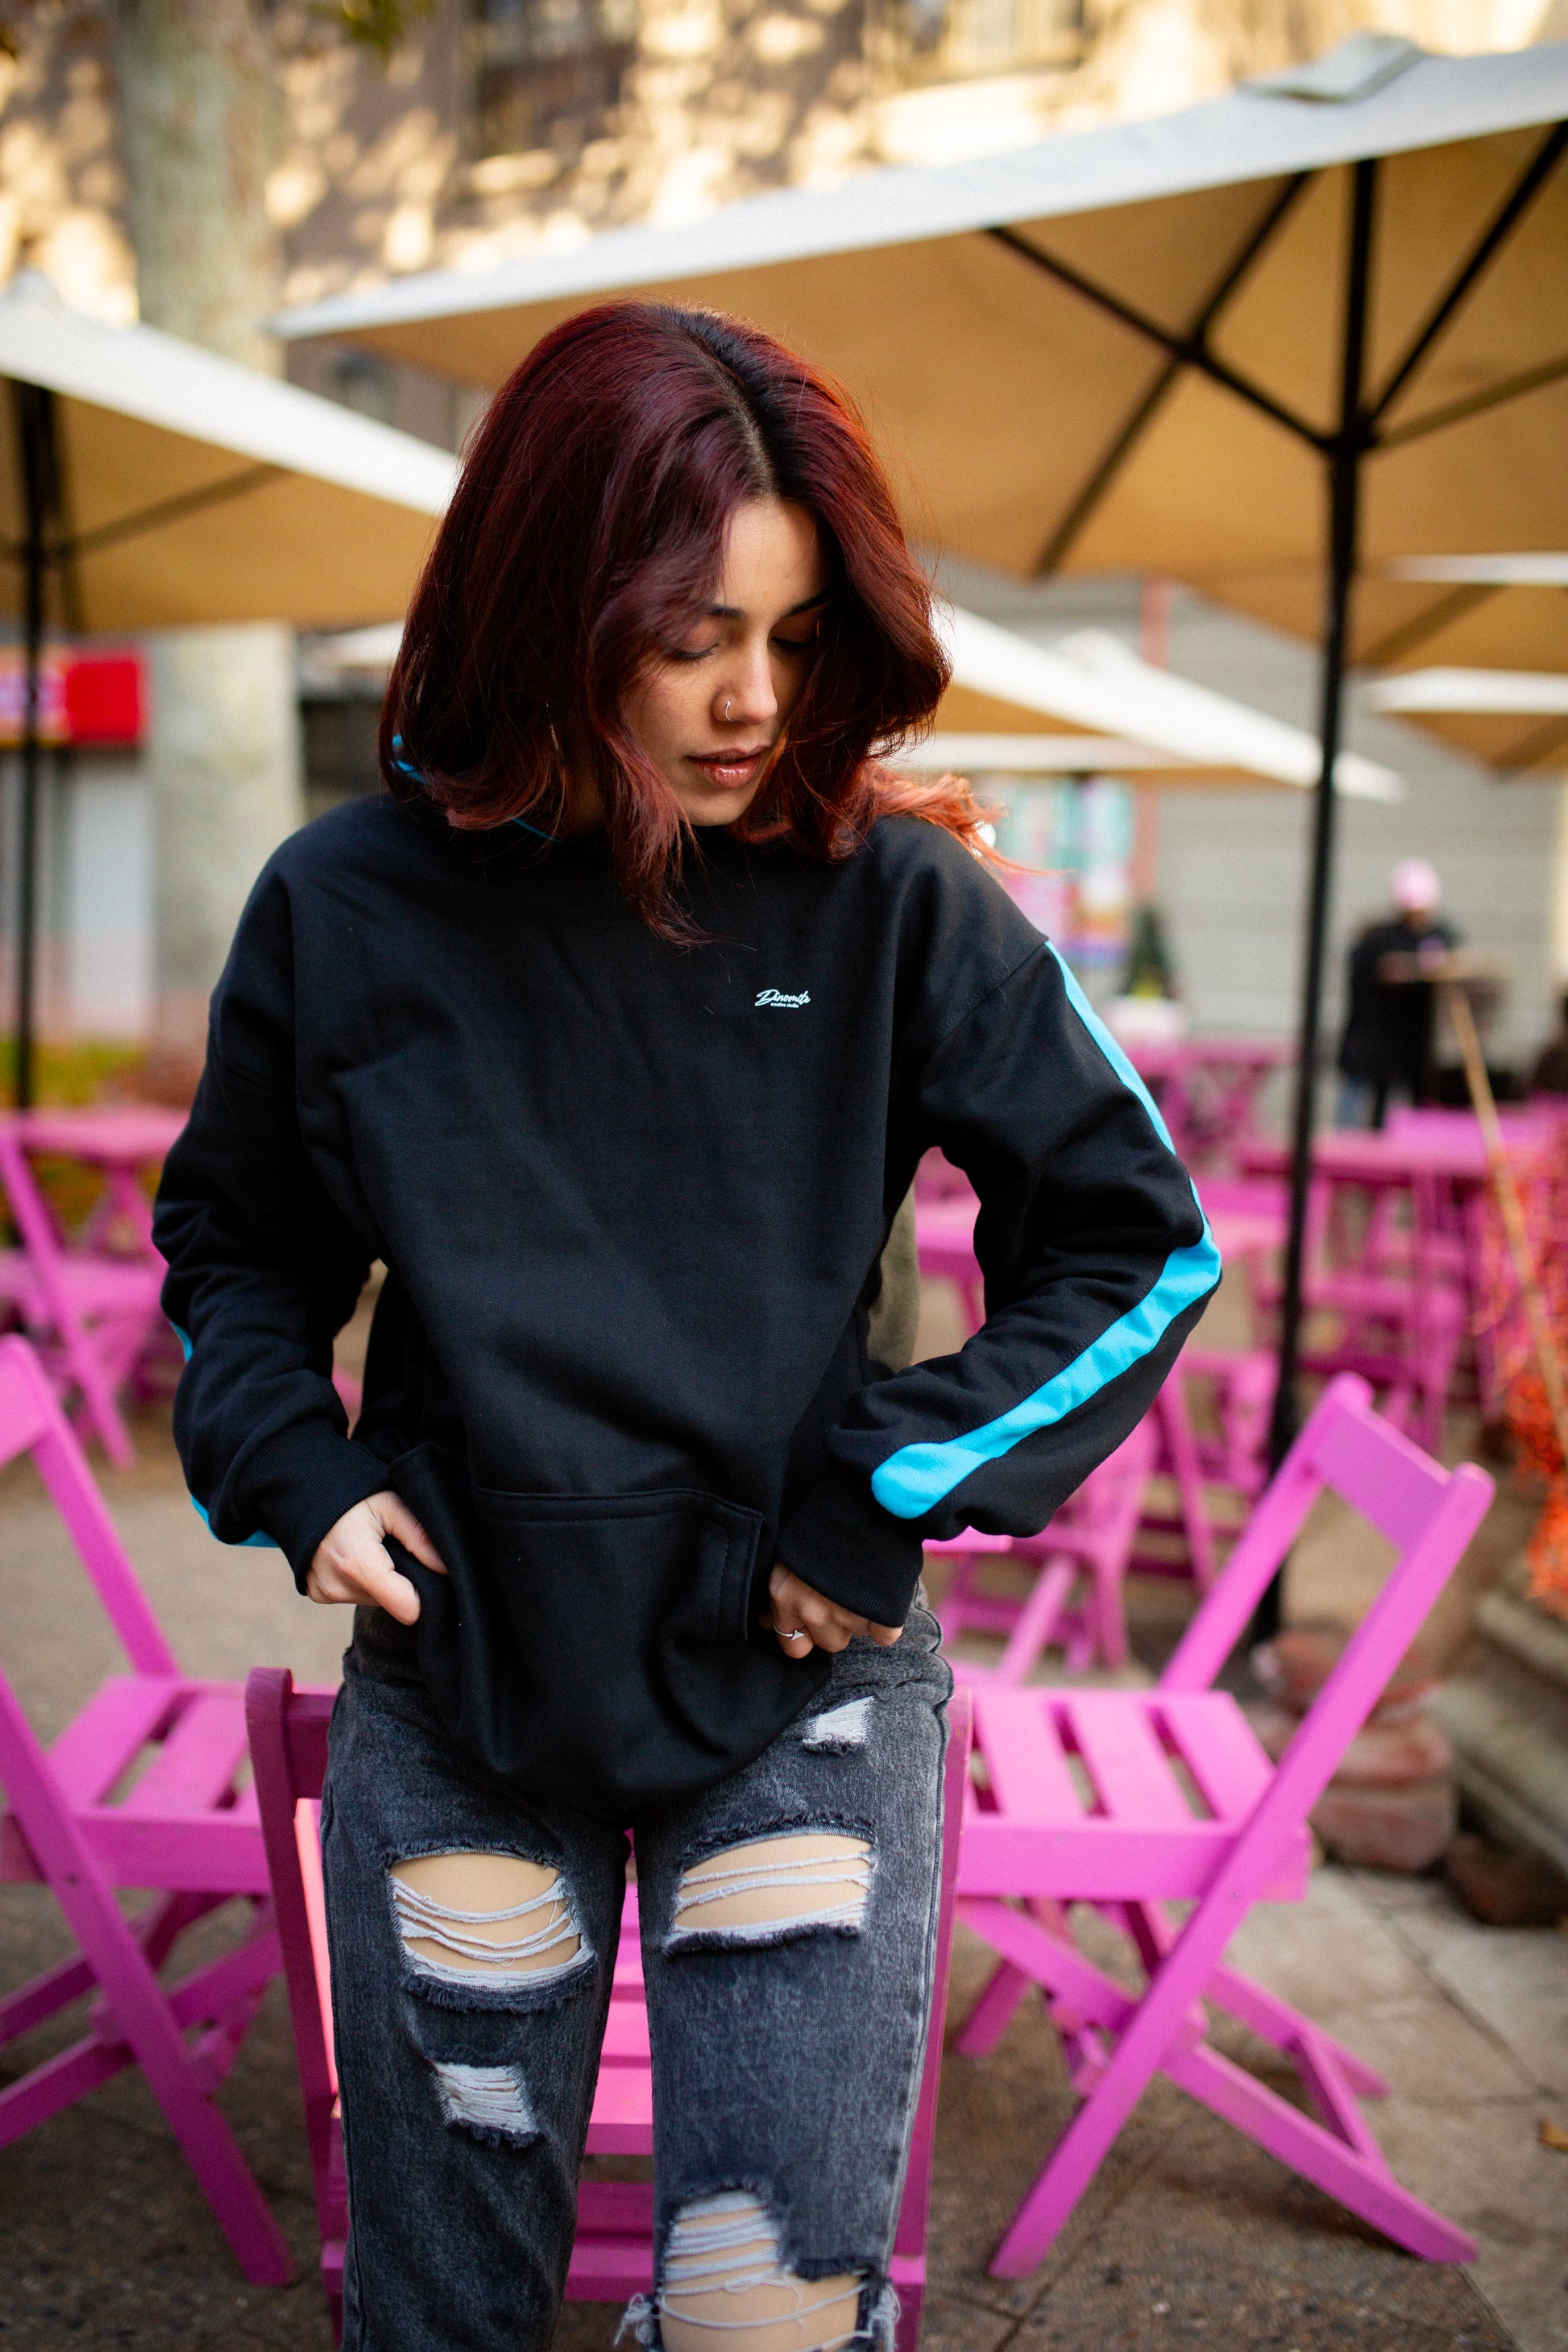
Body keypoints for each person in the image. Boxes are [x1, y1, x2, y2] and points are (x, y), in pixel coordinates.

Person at [153, 303, 1217, 2352]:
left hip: (799, 1684)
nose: (755, 701)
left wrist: (883, 1492)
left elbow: (1136, 1241)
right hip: (460, 1668)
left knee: (769, 2323)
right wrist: (293, 1464)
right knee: (443, 2317)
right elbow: (238, 1247)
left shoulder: (895, 903)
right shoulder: (344, 905)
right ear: (548, 610)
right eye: (690, 637)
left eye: (799, 638)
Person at [1337, 857, 1458, 1129]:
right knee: (1356, 1114)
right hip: (1372, 1043)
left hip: (1409, 1046)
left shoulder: (1436, 937)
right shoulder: (1378, 940)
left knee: (1402, 1113)